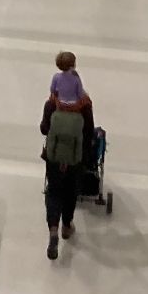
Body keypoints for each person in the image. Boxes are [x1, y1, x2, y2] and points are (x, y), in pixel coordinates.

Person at [41, 51, 95, 261]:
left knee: (54, 192)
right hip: (75, 158)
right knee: (70, 192)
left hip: (54, 157)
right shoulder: (84, 107)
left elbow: (44, 129)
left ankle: (53, 228)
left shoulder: (51, 104)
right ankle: (66, 225)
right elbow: (89, 132)